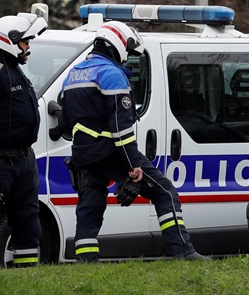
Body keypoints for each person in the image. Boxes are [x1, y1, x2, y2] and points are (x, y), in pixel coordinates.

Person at [59, 21, 205, 262]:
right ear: (116, 44)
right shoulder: (111, 74)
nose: (126, 58)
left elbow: (66, 121)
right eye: (126, 51)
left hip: (83, 154)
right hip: (110, 151)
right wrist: (133, 164)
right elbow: (121, 128)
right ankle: (183, 251)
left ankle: (86, 263)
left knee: (89, 207)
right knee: (164, 192)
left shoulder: (74, 74)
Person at [0, 12, 47, 267]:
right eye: (25, 42)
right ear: (9, 41)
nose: (28, 47)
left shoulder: (15, 70)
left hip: (24, 160)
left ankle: (26, 275)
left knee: (28, 219)